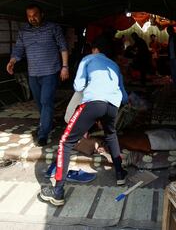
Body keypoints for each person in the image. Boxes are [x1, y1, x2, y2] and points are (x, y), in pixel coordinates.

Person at [39, 36, 128, 206]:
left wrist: (91, 84)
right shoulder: (115, 65)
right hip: (112, 106)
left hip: (93, 103)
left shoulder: (88, 59)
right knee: (111, 135)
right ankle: (120, 174)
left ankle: (57, 192)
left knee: (65, 142)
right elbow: (123, 96)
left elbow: (78, 86)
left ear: (95, 49)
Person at [6, 4, 69, 146]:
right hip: (33, 73)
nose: (32, 18)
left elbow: (63, 47)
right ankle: (48, 122)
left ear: (42, 14)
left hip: (50, 72)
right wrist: (12, 61)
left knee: (46, 101)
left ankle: (43, 134)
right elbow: (18, 49)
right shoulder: (23, 32)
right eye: (29, 16)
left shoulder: (53, 28)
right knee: (40, 102)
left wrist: (65, 67)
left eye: (34, 15)